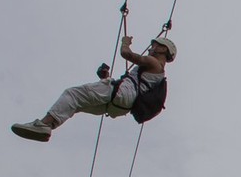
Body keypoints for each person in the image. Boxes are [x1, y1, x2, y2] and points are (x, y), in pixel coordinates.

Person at [11, 35, 176, 142]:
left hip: (121, 94)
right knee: (76, 104)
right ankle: (47, 127)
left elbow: (126, 54)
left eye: (154, 45)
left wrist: (125, 43)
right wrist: (105, 77)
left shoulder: (154, 63)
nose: (150, 47)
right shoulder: (157, 72)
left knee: (72, 94)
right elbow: (130, 88)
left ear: (163, 49)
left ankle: (43, 125)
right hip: (121, 106)